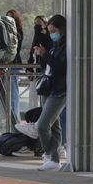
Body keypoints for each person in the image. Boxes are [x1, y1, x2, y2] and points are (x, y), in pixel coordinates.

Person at [31, 14, 68, 172]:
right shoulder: (56, 44)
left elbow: (61, 67)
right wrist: (41, 54)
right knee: (55, 127)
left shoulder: (67, 46)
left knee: (42, 125)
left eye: (54, 31)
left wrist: (45, 55)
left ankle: (49, 154)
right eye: (50, 31)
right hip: (50, 87)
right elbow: (48, 66)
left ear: (62, 29)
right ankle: (54, 159)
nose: (52, 34)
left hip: (60, 90)